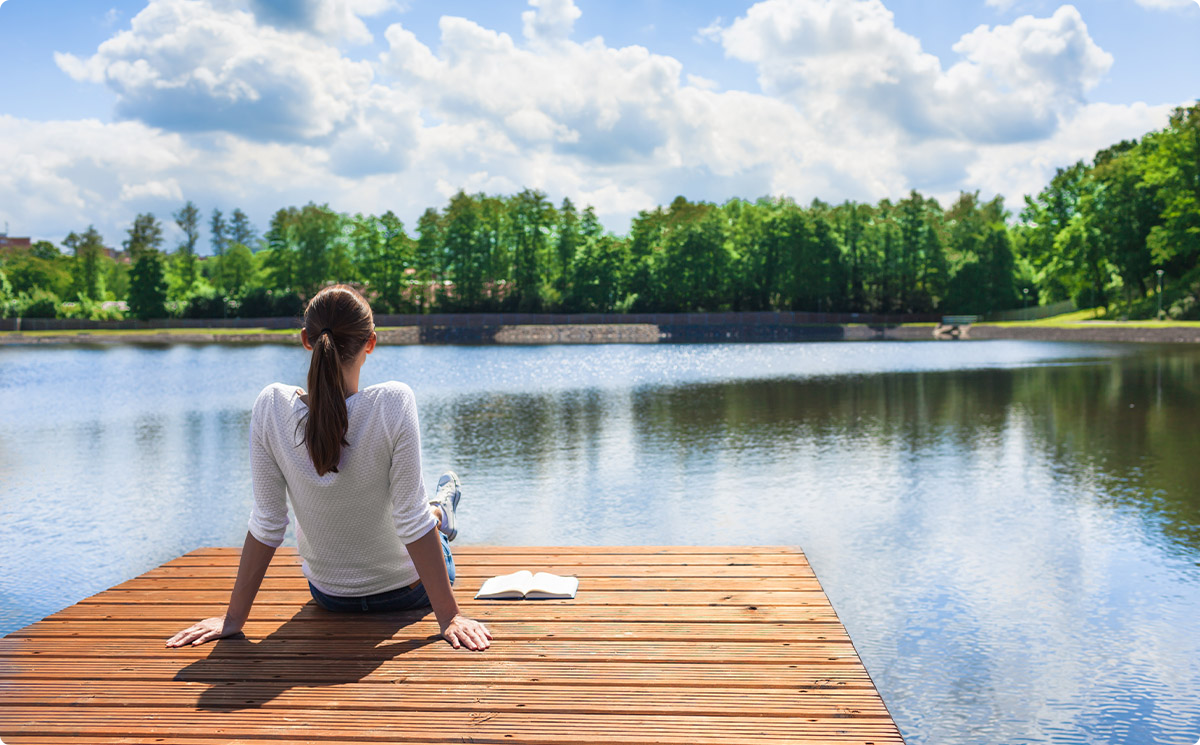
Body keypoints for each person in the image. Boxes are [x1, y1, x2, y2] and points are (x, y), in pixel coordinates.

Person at [166, 285, 492, 651]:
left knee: (417, 513)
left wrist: (233, 619)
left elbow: (268, 522)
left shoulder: (271, 407)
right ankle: (441, 512)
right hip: (405, 593)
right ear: (371, 343)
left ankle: (438, 510)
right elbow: (410, 522)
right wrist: (450, 616)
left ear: (306, 339)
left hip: (331, 597)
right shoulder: (393, 402)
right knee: (426, 520)